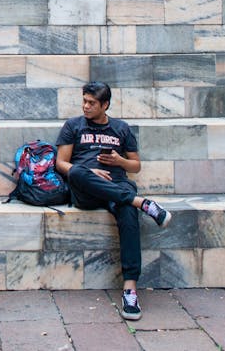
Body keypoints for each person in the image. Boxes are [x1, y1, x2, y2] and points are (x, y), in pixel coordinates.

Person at [55, 81, 170, 321]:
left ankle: (130, 289)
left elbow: (135, 166)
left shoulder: (120, 128)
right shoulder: (73, 125)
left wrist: (120, 162)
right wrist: (91, 172)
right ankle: (142, 202)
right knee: (76, 172)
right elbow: (61, 164)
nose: (86, 106)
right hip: (86, 188)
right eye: (84, 101)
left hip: (118, 185)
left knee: (128, 213)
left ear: (105, 105)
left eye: (92, 103)